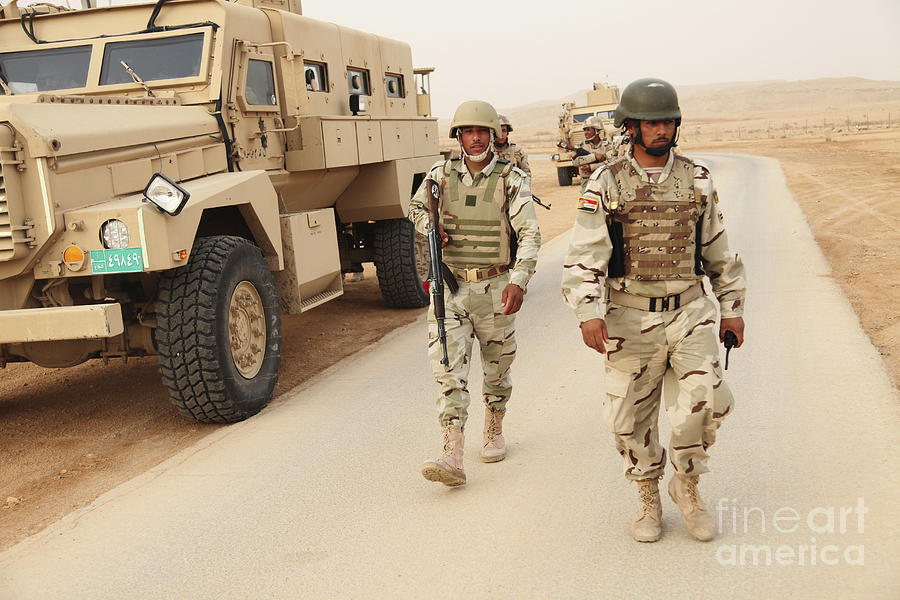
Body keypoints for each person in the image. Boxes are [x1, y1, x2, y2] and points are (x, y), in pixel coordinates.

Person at [561, 78, 746, 542]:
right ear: (632, 128)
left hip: (690, 311)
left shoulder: (697, 179)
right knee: (629, 418)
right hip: (629, 316)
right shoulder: (606, 182)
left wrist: (731, 307)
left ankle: (686, 484)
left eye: (667, 120)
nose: (661, 129)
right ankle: (647, 493)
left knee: (707, 399)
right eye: (651, 122)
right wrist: (588, 311)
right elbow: (586, 253)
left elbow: (718, 249)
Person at [408, 100, 541, 487]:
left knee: (497, 368)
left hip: (496, 287)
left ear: (493, 135)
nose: (476, 138)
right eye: (469, 131)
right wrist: (431, 224)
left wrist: (519, 280)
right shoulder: (438, 175)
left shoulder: (510, 178)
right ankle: (452, 452)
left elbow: (530, 233)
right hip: (450, 287)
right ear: (458, 136)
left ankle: (494, 424)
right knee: (448, 368)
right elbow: (415, 209)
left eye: (483, 131)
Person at [574, 115, 610, 180]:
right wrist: (594, 157)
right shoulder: (580, 146)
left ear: (597, 131)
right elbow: (575, 162)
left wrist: (592, 167)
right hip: (587, 181)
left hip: (605, 180)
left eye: (588, 130)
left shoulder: (607, 145)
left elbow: (611, 162)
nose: (585, 133)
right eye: (584, 130)